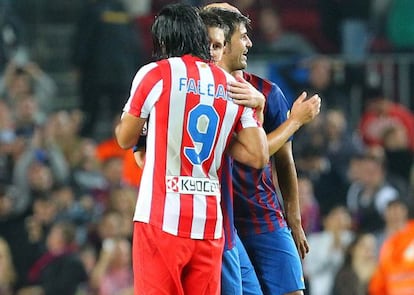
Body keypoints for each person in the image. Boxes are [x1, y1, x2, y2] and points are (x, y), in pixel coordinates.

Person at [114, 3, 269, 295]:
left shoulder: (156, 74)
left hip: (161, 218)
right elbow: (258, 156)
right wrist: (258, 106)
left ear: (163, 40)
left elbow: (125, 139)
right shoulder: (230, 83)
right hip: (210, 224)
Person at [205, 5, 321, 295]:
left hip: (263, 215)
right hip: (223, 221)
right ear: (221, 41)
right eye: (243, 37)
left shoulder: (269, 93)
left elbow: (284, 161)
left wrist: (293, 218)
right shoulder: (206, 95)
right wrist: (295, 121)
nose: (249, 44)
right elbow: (255, 155)